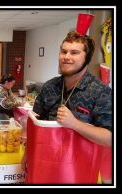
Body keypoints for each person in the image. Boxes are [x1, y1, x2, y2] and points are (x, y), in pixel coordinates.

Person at [22, 31, 112, 182]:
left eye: (74, 52)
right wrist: (27, 153)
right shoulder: (50, 86)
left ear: (87, 58)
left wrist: (75, 124)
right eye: (63, 51)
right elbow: (35, 123)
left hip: (79, 172)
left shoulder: (101, 92)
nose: (66, 57)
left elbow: (109, 138)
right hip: (45, 166)